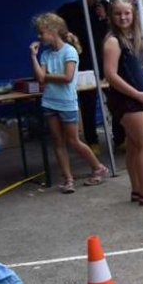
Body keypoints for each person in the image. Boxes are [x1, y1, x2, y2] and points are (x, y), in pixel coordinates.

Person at [29, 13, 108, 193]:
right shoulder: (45, 54)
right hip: (49, 102)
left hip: (66, 103)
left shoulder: (69, 51)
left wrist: (45, 77)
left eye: (41, 33)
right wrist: (33, 57)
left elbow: (67, 77)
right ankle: (68, 178)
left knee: (73, 141)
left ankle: (98, 167)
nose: (39, 37)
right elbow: (40, 78)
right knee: (57, 142)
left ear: (53, 30)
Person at [102, 0, 143, 204]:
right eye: (118, 13)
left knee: (135, 145)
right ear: (111, 16)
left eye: (127, 13)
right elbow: (111, 75)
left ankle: (137, 189)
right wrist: (137, 94)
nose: (123, 17)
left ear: (133, 14)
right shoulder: (113, 41)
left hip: (138, 98)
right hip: (127, 100)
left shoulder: (134, 37)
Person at [56, 0, 108, 153]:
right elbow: (59, 31)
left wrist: (106, 17)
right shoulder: (69, 10)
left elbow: (121, 28)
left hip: (106, 60)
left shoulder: (105, 7)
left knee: (117, 97)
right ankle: (92, 139)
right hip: (84, 61)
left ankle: (121, 137)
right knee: (88, 101)